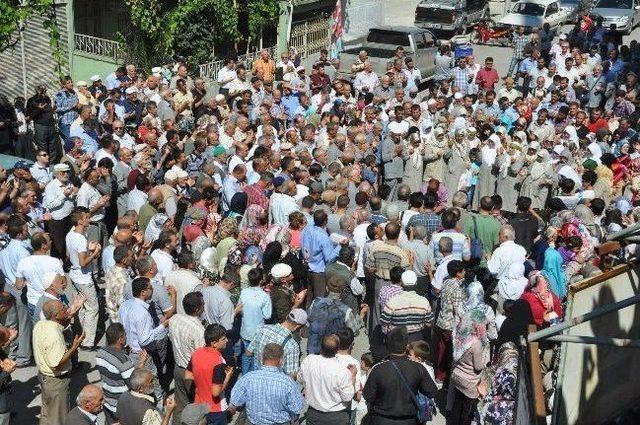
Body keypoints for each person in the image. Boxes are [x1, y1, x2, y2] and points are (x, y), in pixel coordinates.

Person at [363, 326, 438, 424]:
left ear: (388, 345)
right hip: (409, 420)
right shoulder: (418, 368)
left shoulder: (378, 369)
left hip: (382, 420)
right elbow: (432, 392)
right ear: (406, 346)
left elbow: (368, 396)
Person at [33, 300, 84, 425]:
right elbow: (57, 364)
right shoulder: (54, 335)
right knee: (59, 418)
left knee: (47, 412)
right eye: (63, 309)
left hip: (45, 378)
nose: (66, 309)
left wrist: (72, 312)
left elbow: (62, 322)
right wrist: (74, 347)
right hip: (56, 382)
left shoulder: (41, 324)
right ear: (56, 316)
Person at [229, 343, 305, 425]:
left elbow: (235, 401)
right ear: (281, 360)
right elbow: (298, 408)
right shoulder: (288, 382)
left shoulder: (248, 378)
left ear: (262, 358)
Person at [298, 334, 356, 425]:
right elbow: (347, 397)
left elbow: (300, 379)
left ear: (321, 347)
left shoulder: (308, 361)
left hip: (314, 414)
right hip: (336, 418)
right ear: (337, 350)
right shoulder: (342, 371)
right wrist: (352, 377)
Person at [96, 323, 147, 425]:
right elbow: (134, 382)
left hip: (107, 401)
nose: (126, 337)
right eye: (125, 335)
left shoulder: (100, 352)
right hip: (121, 405)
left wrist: (124, 353)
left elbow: (115, 370)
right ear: (120, 339)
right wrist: (141, 362)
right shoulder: (123, 360)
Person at [185, 324, 235, 425]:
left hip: (199, 402)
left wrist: (202, 382)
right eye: (223, 339)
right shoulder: (219, 361)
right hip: (216, 409)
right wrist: (228, 377)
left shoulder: (196, 353)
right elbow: (216, 393)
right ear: (214, 343)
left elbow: (187, 375)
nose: (227, 341)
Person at [168, 292, 206, 421]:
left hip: (178, 367)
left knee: (180, 404)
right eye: (203, 305)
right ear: (197, 309)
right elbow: (201, 356)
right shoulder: (199, 330)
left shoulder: (174, 319)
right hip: (191, 372)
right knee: (195, 407)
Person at [246, 309, 307, 377]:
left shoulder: (262, 328)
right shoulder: (292, 345)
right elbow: (291, 375)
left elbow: (248, 352)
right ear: (297, 327)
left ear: (287, 317)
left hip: (256, 375)